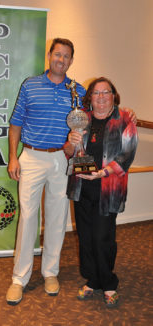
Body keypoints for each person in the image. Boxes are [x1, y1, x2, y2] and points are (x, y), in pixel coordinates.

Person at [6, 38, 86, 305]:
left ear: (71, 61)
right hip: (30, 157)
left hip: (61, 160)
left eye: (66, 56)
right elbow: (16, 124)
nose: (61, 59)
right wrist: (12, 159)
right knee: (28, 218)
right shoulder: (30, 85)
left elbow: (94, 117)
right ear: (49, 56)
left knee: (57, 218)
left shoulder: (77, 91)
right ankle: (19, 278)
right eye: (57, 54)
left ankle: (51, 272)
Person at [63, 77, 138, 308]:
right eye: (96, 93)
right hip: (81, 187)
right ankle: (93, 279)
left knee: (102, 238)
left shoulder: (124, 118)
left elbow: (126, 156)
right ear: (90, 98)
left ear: (114, 96)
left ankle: (108, 282)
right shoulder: (80, 120)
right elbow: (68, 153)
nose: (102, 97)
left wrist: (102, 173)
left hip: (108, 189)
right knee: (85, 238)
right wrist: (70, 141)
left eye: (107, 92)